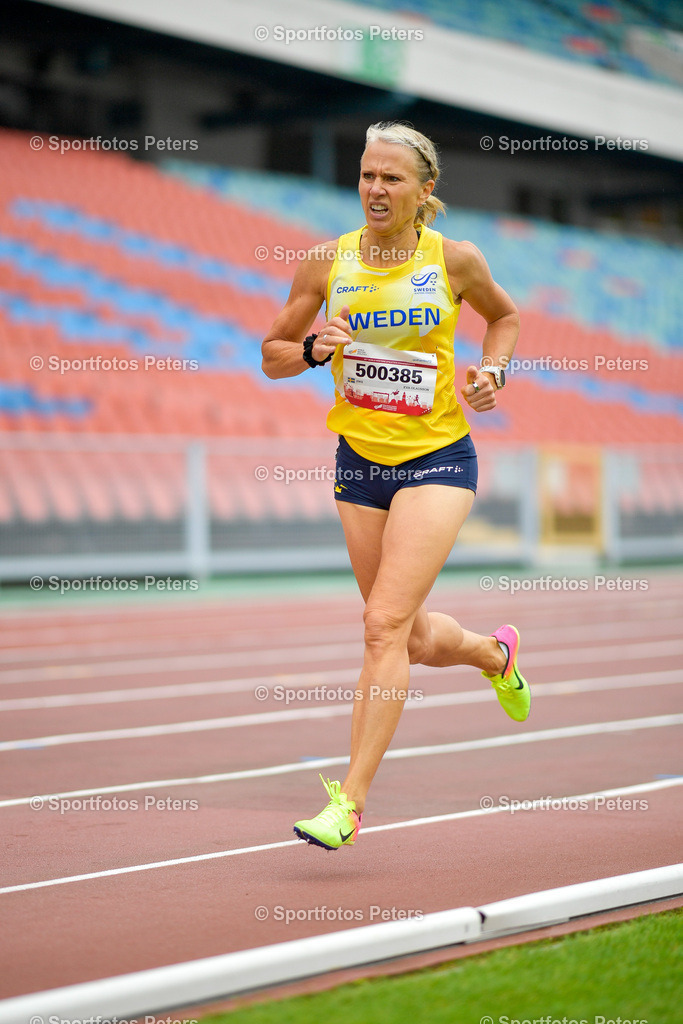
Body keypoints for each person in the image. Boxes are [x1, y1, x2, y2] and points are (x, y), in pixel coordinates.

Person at [261, 122, 530, 852]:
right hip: (359, 465)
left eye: (391, 178)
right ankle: (493, 655)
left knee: (380, 625)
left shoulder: (454, 259)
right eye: (366, 175)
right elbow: (271, 354)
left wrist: (493, 372)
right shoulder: (326, 262)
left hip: (437, 458)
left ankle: (347, 803)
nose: (375, 189)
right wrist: (312, 348)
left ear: (424, 189)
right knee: (405, 636)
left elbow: (504, 318)